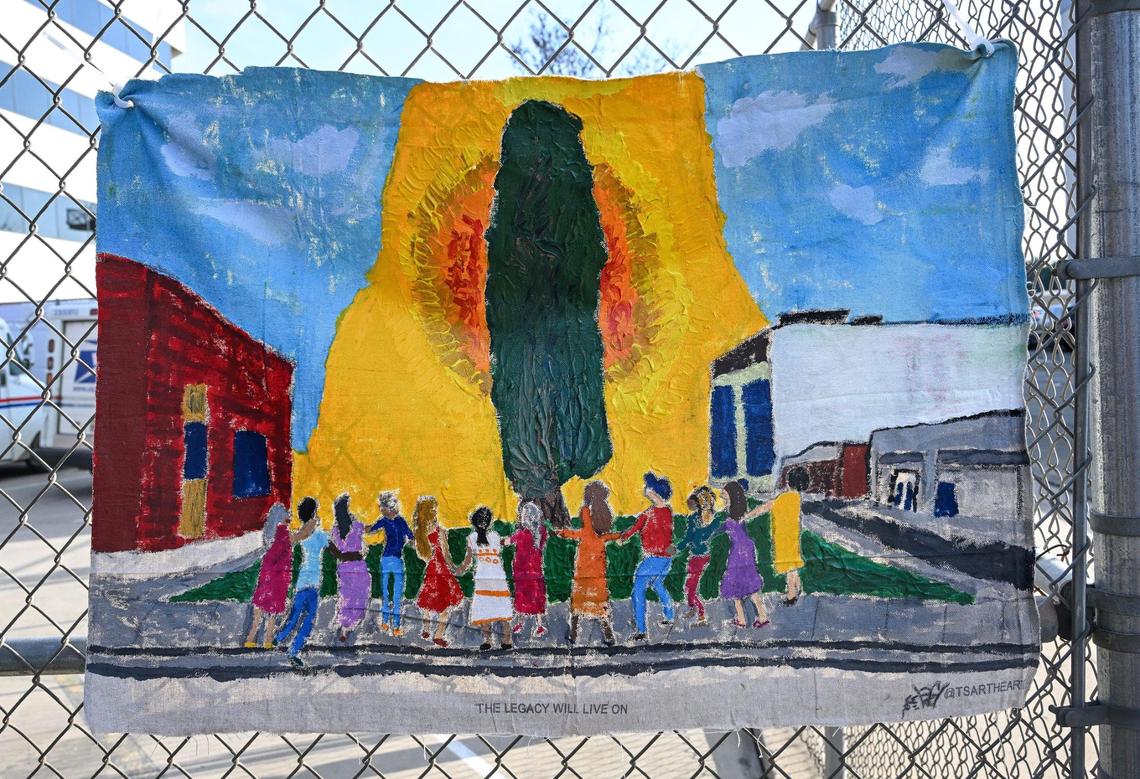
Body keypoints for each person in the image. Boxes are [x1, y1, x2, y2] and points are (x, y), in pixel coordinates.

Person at [554, 480, 621, 645]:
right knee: (600, 601)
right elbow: (606, 535)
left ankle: (574, 635)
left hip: (584, 565)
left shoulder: (585, 511)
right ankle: (609, 635)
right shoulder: (604, 513)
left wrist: (562, 533)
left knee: (578, 601)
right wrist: (618, 536)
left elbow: (582, 532)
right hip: (598, 565)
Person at [619, 471, 677, 641]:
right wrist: (625, 536)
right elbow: (637, 527)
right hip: (666, 558)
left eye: (648, 488)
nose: (645, 490)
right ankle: (670, 615)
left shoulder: (650, 513)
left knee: (638, 589)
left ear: (654, 492)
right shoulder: (666, 511)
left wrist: (623, 538)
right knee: (658, 584)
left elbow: (635, 528)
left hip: (654, 558)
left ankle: (641, 629)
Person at [273, 497, 324, 666]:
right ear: (314, 512)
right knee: (308, 620)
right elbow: (335, 550)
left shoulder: (303, 533)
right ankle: (293, 650)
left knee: (295, 615)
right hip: (314, 582)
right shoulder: (317, 534)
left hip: (303, 580)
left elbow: (295, 538)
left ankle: (278, 638)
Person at [454, 506, 514, 650]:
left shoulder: (471, 538)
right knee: (502, 608)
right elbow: (506, 543)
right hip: (498, 576)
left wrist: (458, 570)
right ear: (490, 522)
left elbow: (467, 562)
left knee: (484, 608)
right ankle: (507, 639)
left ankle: (487, 640)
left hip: (482, 577)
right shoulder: (495, 536)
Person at [747, 467, 807, 604]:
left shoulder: (783, 498)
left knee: (789, 566)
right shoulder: (797, 498)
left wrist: (748, 516)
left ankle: (791, 595)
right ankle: (797, 588)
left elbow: (765, 507)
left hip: (782, 537)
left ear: (788, 481)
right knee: (792, 564)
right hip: (792, 537)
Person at [412, 495, 463, 647]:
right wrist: (454, 567)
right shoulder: (439, 530)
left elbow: (422, 555)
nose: (436, 510)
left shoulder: (419, 533)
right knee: (446, 605)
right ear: (430, 511)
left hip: (431, 569)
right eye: (433, 508)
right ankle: (438, 634)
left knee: (428, 600)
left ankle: (426, 628)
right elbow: (446, 553)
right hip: (441, 570)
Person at [719, 479, 770, 629]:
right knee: (747, 583)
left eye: (724, 491)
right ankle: (759, 616)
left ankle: (744, 619)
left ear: (731, 494)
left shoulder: (733, 513)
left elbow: (725, 527)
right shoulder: (735, 509)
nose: (722, 493)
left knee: (736, 583)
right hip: (743, 548)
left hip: (739, 551)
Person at [244, 503, 294, 649]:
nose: (289, 519)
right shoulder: (284, 533)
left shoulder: (268, 534)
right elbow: (286, 556)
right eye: (287, 517)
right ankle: (268, 640)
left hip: (266, 574)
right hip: (279, 577)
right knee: (273, 610)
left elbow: (269, 555)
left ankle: (250, 638)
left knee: (259, 607)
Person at [368, 491, 415, 636]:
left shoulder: (396, 520)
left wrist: (411, 540)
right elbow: (370, 529)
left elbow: (411, 536)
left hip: (392, 559)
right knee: (389, 594)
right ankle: (389, 623)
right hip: (389, 559)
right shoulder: (389, 520)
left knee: (393, 594)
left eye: (384, 507)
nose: (382, 510)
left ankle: (393, 625)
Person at [678, 485, 722, 625]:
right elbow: (688, 538)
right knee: (690, 585)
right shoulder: (694, 519)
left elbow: (694, 537)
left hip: (701, 557)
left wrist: (677, 548)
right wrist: (678, 548)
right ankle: (693, 608)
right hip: (695, 556)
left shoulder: (714, 520)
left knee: (690, 586)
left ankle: (701, 614)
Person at [331, 494, 370, 643]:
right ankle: (353, 623)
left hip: (344, 567)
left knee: (346, 596)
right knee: (360, 595)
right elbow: (366, 532)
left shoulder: (336, 530)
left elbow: (336, 549)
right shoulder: (357, 526)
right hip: (358, 566)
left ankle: (344, 628)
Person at [510, 501, 548, 640]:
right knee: (536, 596)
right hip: (536, 571)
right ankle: (539, 625)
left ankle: (520, 623)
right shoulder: (542, 532)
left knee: (521, 597)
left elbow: (508, 542)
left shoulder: (522, 533)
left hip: (522, 571)